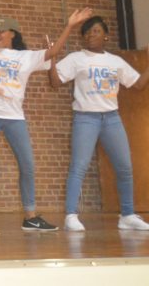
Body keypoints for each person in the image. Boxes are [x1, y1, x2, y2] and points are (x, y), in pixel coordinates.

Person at [0, 8, 91, 231]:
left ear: (13, 33)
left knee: (27, 164)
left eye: (1, 30)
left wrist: (70, 25)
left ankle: (30, 216)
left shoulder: (25, 57)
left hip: (15, 117)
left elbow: (53, 51)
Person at [49, 16, 149, 231]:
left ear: (106, 35)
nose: (90, 35)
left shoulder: (115, 61)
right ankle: (71, 215)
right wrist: (52, 61)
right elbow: (56, 82)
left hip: (112, 118)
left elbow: (139, 84)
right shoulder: (77, 58)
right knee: (79, 166)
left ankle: (127, 215)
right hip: (86, 118)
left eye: (95, 31)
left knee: (125, 167)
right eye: (86, 32)